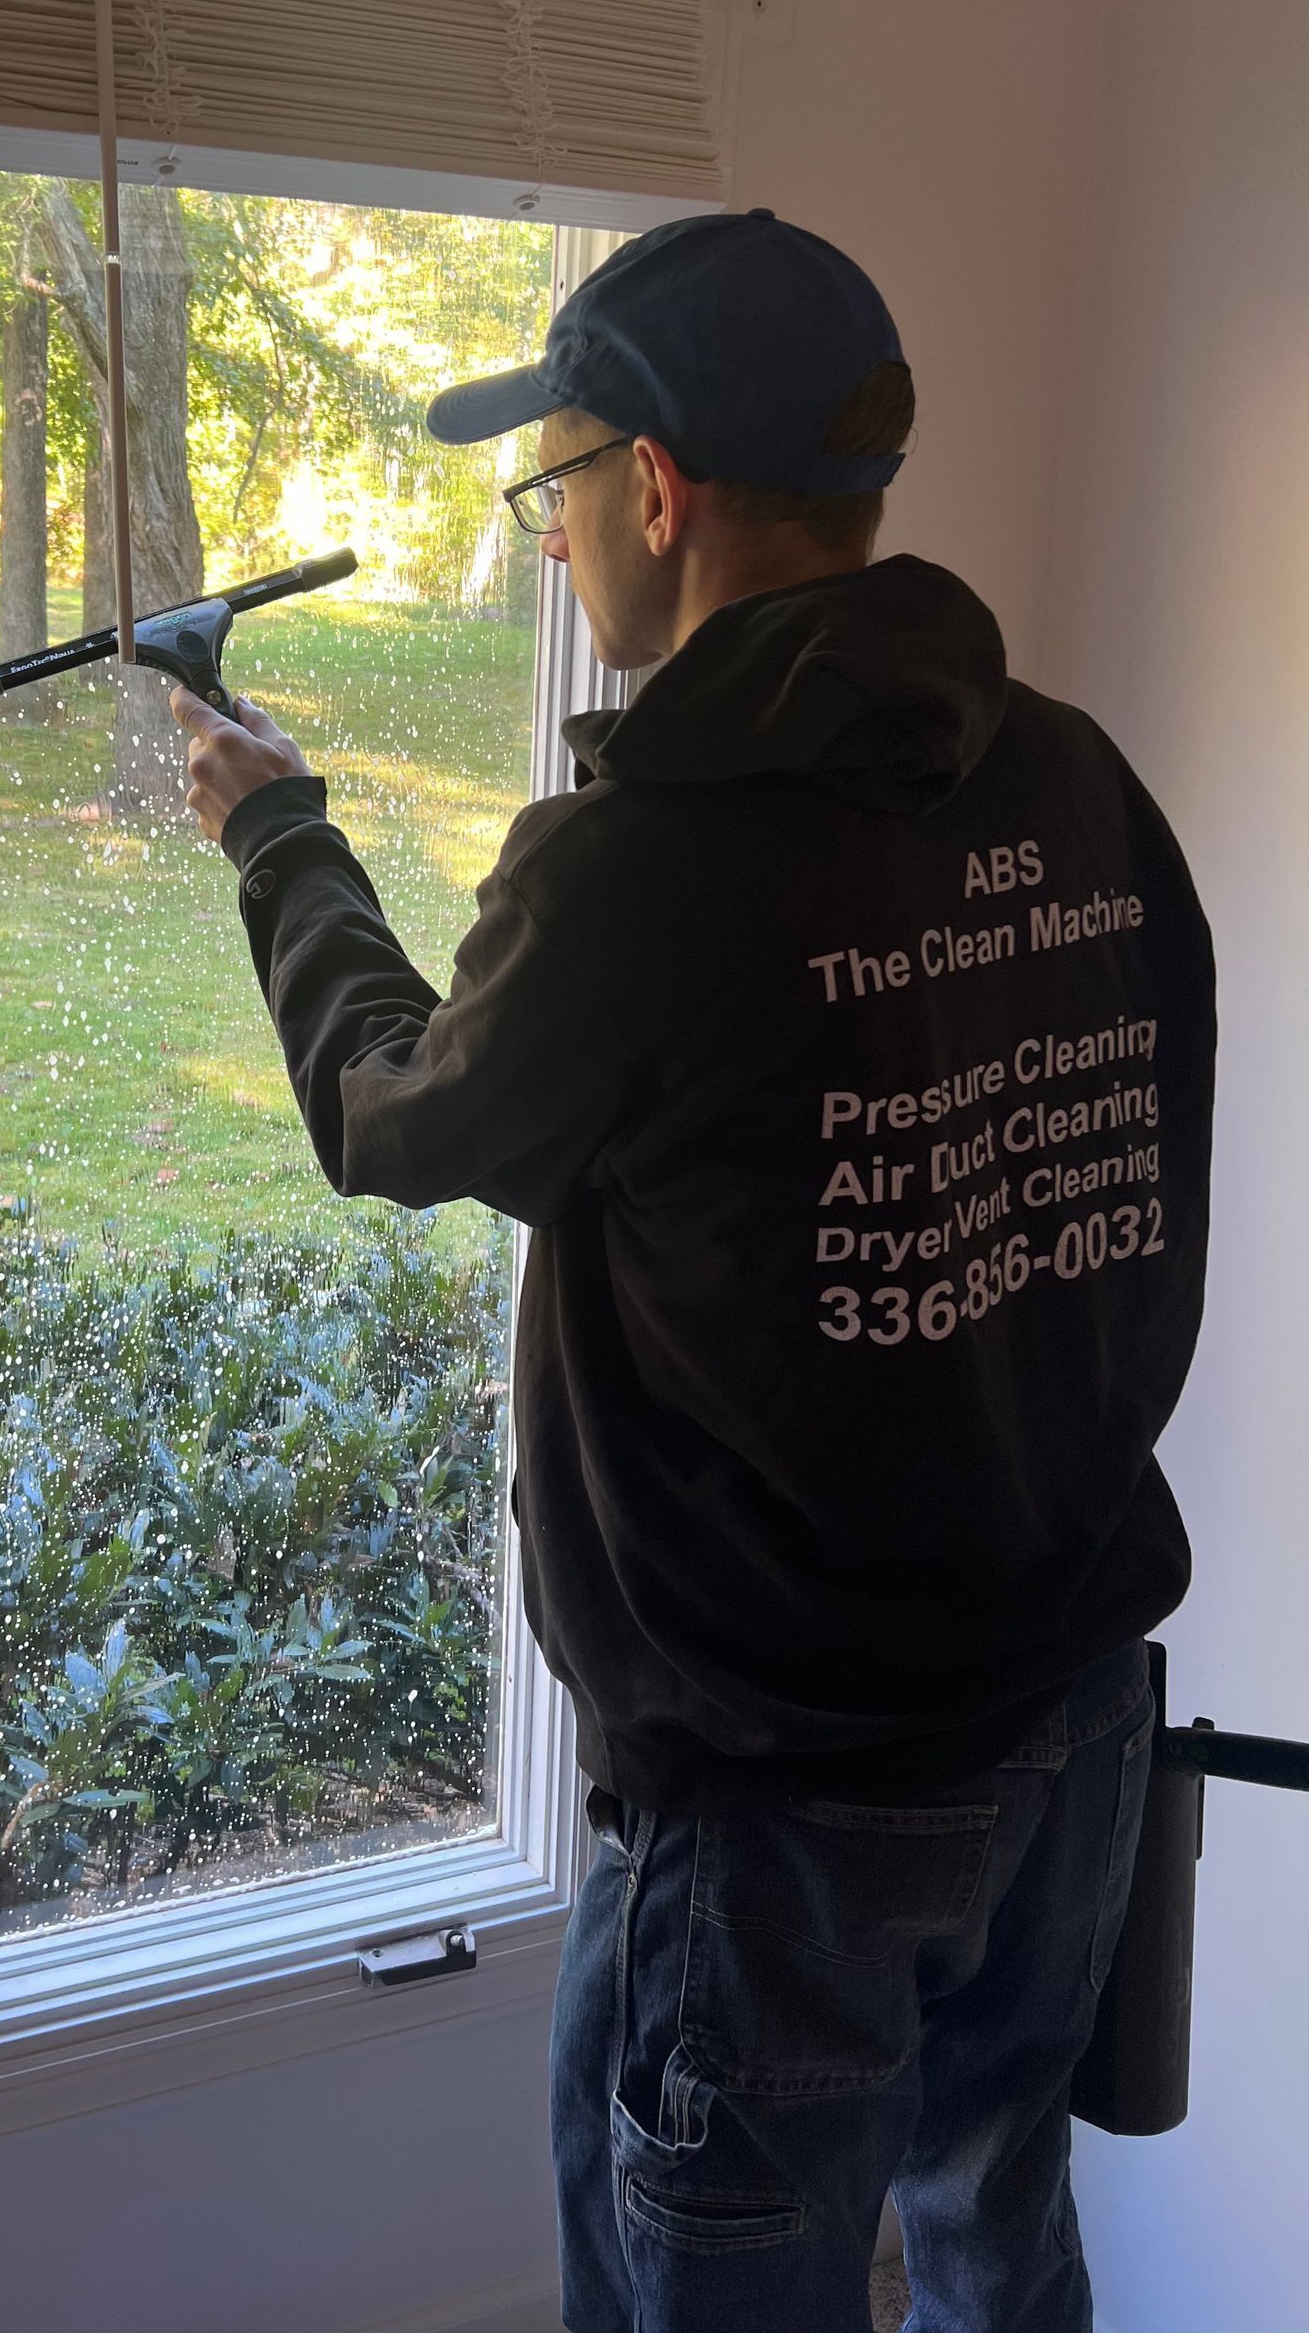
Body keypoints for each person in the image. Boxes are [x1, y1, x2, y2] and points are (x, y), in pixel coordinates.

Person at [165, 207, 1215, 2333]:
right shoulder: (1080, 781)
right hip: (1070, 1722)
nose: (550, 538)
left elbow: (396, 1112)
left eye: (553, 486)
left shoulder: (653, 864)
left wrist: (277, 833)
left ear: (657, 484)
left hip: (790, 1815)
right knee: (1001, 2243)